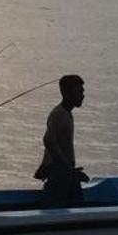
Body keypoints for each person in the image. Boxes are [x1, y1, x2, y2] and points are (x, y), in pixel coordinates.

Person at [34, 74, 88, 207]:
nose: (82, 95)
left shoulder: (67, 113)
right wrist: (66, 167)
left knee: (76, 205)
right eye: (79, 92)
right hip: (59, 172)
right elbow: (48, 140)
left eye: (83, 92)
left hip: (65, 171)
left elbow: (54, 143)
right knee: (55, 208)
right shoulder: (59, 114)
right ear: (68, 93)